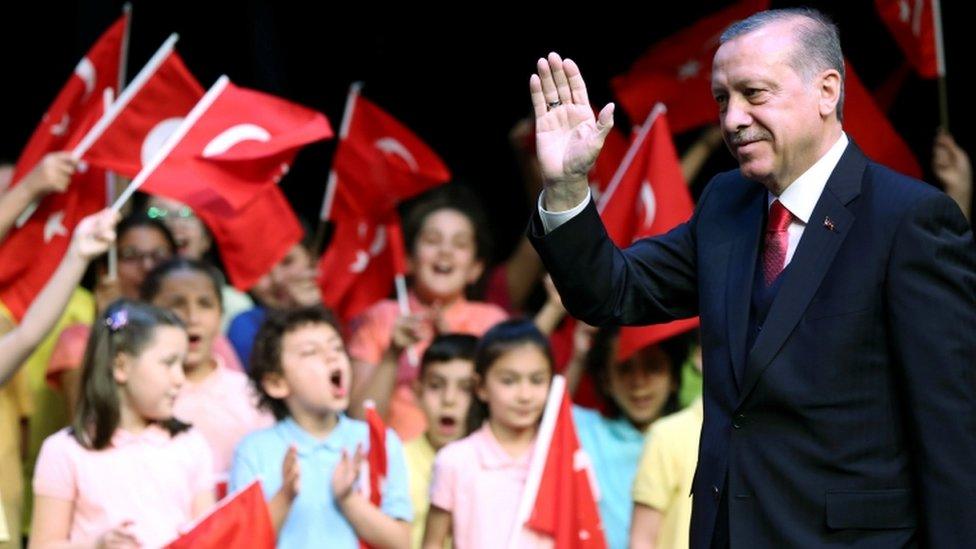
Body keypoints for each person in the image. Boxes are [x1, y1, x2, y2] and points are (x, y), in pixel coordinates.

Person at [526, 8, 976, 548]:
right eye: (722, 99)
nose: (733, 118)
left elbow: (950, 432)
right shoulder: (725, 204)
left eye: (754, 94)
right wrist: (568, 188)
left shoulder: (909, 220)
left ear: (826, 91)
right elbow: (611, 292)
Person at [30, 300, 215, 547]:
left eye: (182, 365)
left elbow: (210, 536)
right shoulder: (64, 450)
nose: (180, 379)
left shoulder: (190, 443)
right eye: (168, 363)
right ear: (121, 365)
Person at [230, 306, 412, 548]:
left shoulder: (379, 440)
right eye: (310, 352)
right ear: (277, 383)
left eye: (337, 347)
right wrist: (285, 496)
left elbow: (401, 542)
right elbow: (243, 544)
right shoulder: (254, 449)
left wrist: (349, 499)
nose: (332, 356)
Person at [422, 320, 553, 549]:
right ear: (480, 387)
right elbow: (432, 543)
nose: (525, 395)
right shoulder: (455, 461)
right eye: (509, 381)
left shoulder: (563, 458)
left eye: (537, 380)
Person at [403, 334, 478, 549]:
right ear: (417, 391)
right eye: (436, 385)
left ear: (483, 393)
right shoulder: (396, 462)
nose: (449, 399)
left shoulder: (497, 465)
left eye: (466, 388)